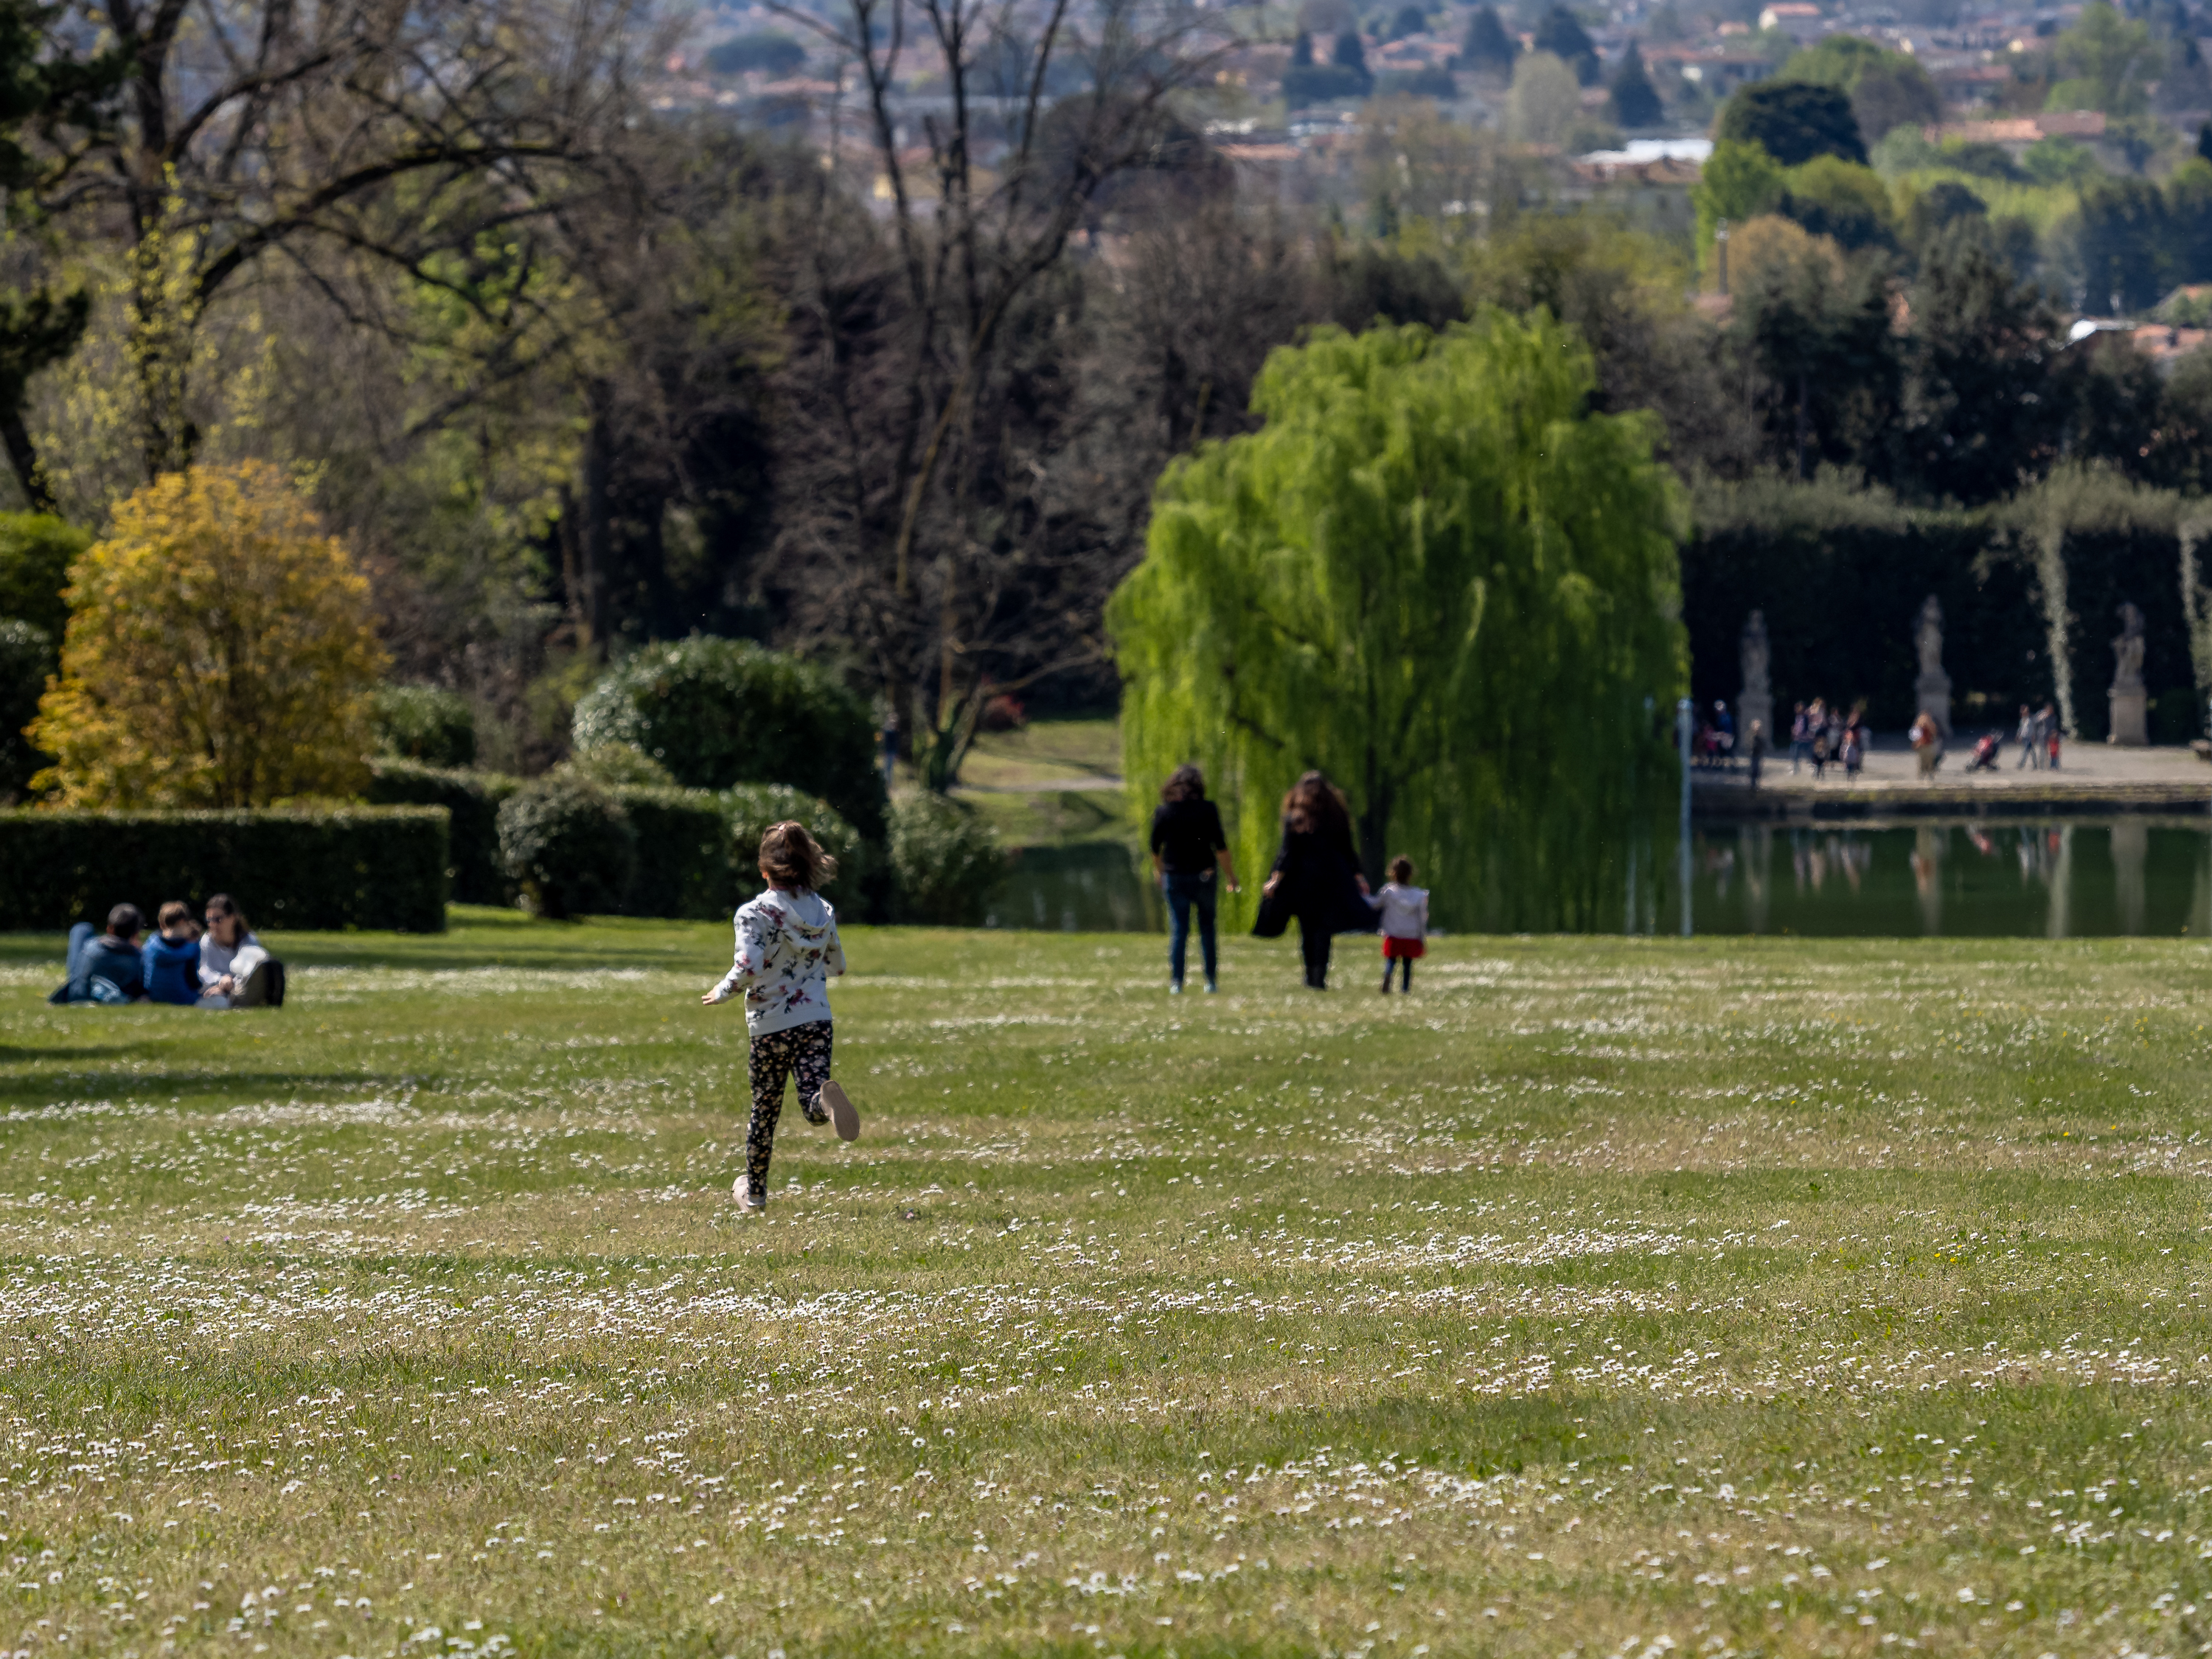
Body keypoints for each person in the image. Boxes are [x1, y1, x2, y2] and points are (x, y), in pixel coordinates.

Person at [703, 821, 861, 1213]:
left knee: (765, 1106)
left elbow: (749, 964)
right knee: (810, 1093)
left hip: (770, 1025)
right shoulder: (822, 910)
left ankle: (754, 1193)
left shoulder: (754, 912)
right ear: (808, 865)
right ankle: (824, 1103)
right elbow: (837, 965)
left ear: (764, 870)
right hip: (815, 1020)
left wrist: (722, 991)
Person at [1257, 771, 1373, 990]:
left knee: (1307, 929)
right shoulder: (1337, 817)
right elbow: (1348, 850)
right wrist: (1359, 876)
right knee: (1323, 930)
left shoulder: (1295, 818)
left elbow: (1287, 853)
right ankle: (1320, 975)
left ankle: (1310, 974)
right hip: (1330, 880)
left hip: (1302, 882)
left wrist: (1275, 880)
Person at [1148, 763, 1239, 995]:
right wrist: (1231, 876)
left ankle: (1176, 982)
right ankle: (1210, 981)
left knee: (1179, 929)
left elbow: (1154, 848)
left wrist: (1159, 872)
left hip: (1175, 875)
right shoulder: (1208, 810)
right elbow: (1220, 846)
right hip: (1204, 875)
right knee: (1207, 927)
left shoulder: (1165, 812)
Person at [197, 894, 284, 1009]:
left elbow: (253, 972)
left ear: (233, 918)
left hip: (242, 987)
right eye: (209, 920)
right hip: (215, 988)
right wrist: (221, 980)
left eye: (218, 919)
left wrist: (231, 982)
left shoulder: (248, 940)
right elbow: (206, 970)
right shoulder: (207, 941)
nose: (213, 925)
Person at [49, 904, 148, 1004]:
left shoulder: (91, 947)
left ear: (110, 928)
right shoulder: (137, 959)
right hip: (111, 995)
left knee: (82, 929)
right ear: (136, 933)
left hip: (79, 994)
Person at [1367, 856, 1428, 995]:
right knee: (1407, 963)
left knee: (1391, 960)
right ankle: (1405, 988)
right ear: (1410, 874)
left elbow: (1376, 904)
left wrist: (1363, 896)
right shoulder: (1418, 895)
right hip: (1411, 934)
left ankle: (1388, 976)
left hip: (1393, 932)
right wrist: (1421, 937)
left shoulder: (1389, 891)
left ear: (1393, 872)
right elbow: (1422, 918)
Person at [142, 901, 202, 1006]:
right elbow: (194, 981)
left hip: (154, 996)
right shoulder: (191, 948)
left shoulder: (151, 944)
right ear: (182, 921)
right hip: (184, 999)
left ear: (162, 923)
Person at [1910, 711, 1944, 779]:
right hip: (1922, 745)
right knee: (1923, 761)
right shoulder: (1919, 726)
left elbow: (1934, 733)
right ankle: (1922, 775)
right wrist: (1915, 744)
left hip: (1928, 744)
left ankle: (1929, 774)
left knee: (1929, 760)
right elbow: (1915, 736)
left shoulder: (1930, 725)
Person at [2014, 703, 2039, 770]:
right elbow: (2021, 729)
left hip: (2029, 737)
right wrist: (2018, 736)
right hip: (2024, 737)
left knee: (2026, 751)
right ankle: (2035, 764)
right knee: (2031, 751)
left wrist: (2033, 737)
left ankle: (2021, 764)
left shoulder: (2031, 719)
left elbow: (2033, 729)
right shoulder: (2022, 719)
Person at [1789, 701, 1810, 773]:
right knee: (1794, 754)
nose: (1796, 709)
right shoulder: (1798, 717)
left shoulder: (1805, 717)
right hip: (1798, 739)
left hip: (1804, 739)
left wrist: (1796, 733)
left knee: (1808, 755)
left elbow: (1803, 729)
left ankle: (1810, 768)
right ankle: (1796, 769)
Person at [1746, 719, 1766, 790]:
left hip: (1758, 755)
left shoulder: (1760, 738)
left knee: (1758, 770)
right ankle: (1753, 784)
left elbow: (1763, 746)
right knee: (1753, 770)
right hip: (1753, 755)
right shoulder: (1753, 737)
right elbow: (1752, 747)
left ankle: (1756, 784)